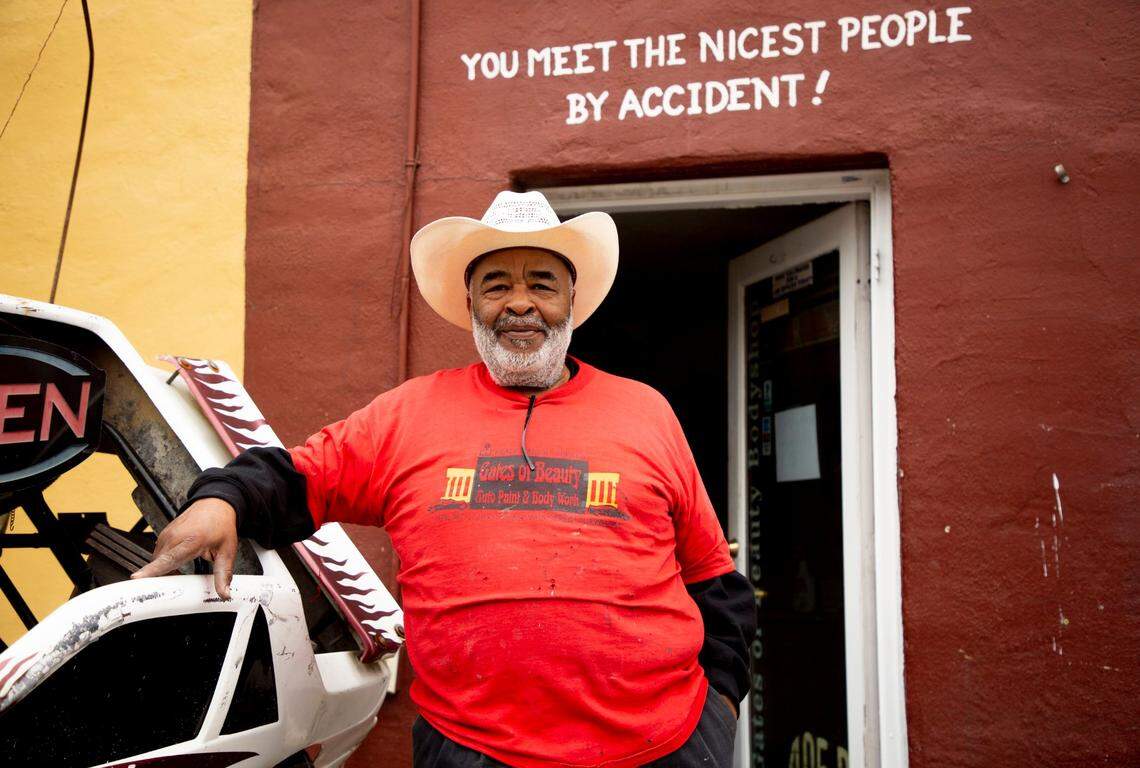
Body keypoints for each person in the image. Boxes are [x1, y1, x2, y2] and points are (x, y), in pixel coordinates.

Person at [134, 191, 757, 768]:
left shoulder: (646, 411)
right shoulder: (407, 414)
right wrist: (222, 499)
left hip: (663, 746)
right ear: (470, 305)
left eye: (542, 283)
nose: (519, 303)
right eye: (496, 285)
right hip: (473, 750)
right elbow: (296, 477)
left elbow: (714, 581)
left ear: (572, 301)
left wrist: (718, 714)